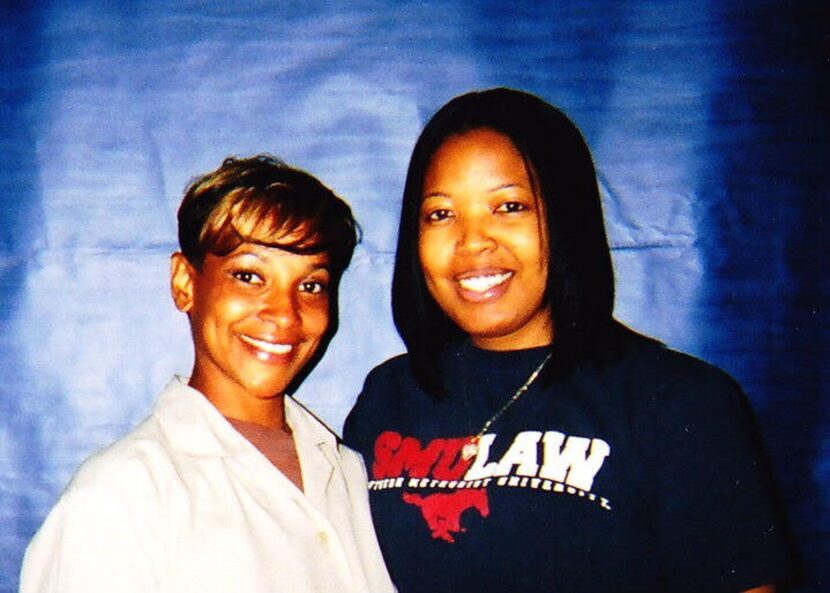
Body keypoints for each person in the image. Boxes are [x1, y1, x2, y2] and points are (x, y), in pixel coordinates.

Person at [344, 88, 796, 593]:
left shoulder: (676, 401)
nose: (472, 241)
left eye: (509, 206)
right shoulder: (388, 397)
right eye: (441, 214)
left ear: (565, 217)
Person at [20, 155, 395, 593]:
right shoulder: (120, 496)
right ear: (184, 282)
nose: (284, 314)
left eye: (310, 285)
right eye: (249, 276)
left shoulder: (347, 471)